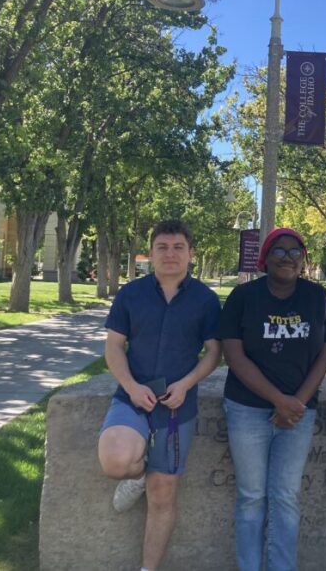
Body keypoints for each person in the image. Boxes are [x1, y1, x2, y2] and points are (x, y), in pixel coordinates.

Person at [97, 219, 222, 571]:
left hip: (176, 405)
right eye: (162, 247)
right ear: (150, 254)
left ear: (190, 254)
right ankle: (137, 476)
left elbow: (214, 352)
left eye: (178, 247)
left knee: (163, 495)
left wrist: (186, 384)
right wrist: (132, 387)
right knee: (117, 462)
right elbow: (114, 347)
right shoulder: (130, 294)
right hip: (133, 397)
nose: (170, 254)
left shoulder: (206, 300)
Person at [218, 228, 326, 571]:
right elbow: (233, 354)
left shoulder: (317, 297)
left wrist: (296, 402)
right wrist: (278, 400)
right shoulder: (243, 297)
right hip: (246, 409)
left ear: (303, 260)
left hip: (300, 413)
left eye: (295, 252)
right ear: (265, 258)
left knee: (286, 497)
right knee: (251, 497)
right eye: (280, 251)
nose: (288, 258)